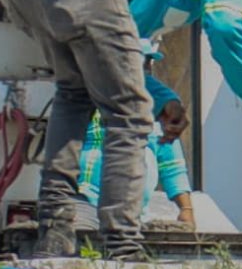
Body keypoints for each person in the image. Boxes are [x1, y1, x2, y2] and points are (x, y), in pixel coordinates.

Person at [0, 0, 242, 264]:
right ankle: (122, 246)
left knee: (75, 94)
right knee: (130, 114)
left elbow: (115, 56)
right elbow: (226, 21)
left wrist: (163, 99)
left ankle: (54, 236)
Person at [73, 77, 194, 235]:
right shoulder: (95, 107)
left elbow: (173, 169)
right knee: (82, 249)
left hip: (134, 212)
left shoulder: (160, 122)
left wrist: (186, 209)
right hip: (86, 201)